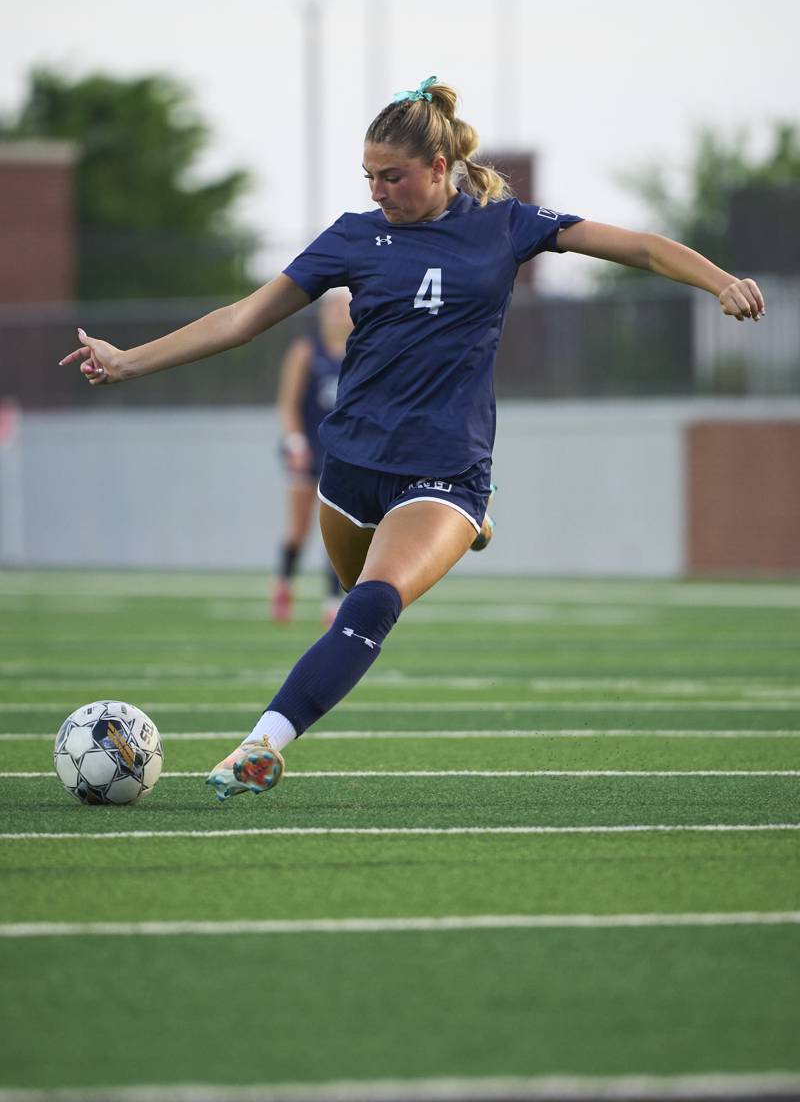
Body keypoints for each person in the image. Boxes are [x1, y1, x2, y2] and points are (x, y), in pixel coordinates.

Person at [59, 75, 765, 803]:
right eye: (368, 176)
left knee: (371, 603)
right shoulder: (352, 236)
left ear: (437, 168)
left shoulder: (505, 222)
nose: (377, 191)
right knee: (349, 584)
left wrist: (719, 282)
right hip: (352, 465)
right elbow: (243, 317)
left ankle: (262, 744)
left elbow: (641, 248)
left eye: (390, 176)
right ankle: (469, 527)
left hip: (446, 467)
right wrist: (127, 359)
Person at [272, 288, 352, 627]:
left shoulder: (361, 351)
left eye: (345, 308)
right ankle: (284, 585)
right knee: (299, 527)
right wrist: (295, 443)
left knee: (337, 529)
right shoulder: (306, 351)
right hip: (308, 448)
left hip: (342, 452)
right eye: (333, 308)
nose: (338, 314)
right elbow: (288, 404)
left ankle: (333, 602)